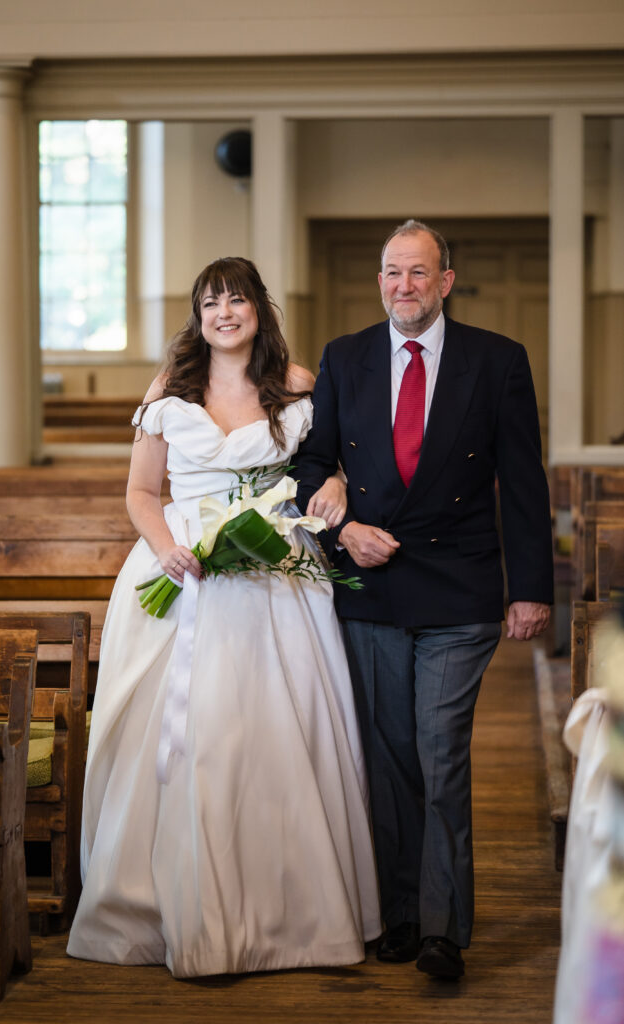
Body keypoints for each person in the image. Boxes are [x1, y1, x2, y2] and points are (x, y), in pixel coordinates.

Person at [66, 257, 381, 978]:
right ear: (197, 315)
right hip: (184, 568)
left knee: (278, 731)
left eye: (236, 300)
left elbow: (332, 462)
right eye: (211, 303)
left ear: (258, 310)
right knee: (191, 737)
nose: (223, 313)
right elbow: (142, 491)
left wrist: (331, 481)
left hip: (277, 575)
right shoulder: (169, 389)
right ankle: (169, 905)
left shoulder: (300, 383)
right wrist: (169, 548)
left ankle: (291, 913)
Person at [294, 219, 554, 980]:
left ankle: (444, 929)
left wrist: (529, 589)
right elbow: (310, 462)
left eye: (417, 272)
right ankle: (400, 914)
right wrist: (341, 530)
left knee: (439, 756)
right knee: (390, 761)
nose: (402, 286)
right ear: (378, 282)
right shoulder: (343, 359)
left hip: (460, 590)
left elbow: (524, 482)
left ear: (444, 281)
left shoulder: (498, 360)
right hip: (370, 587)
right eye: (390, 272)